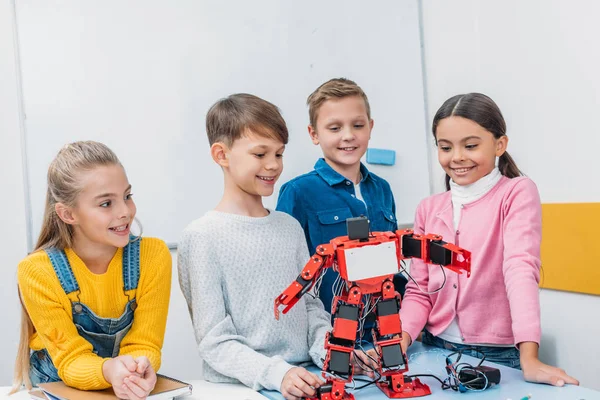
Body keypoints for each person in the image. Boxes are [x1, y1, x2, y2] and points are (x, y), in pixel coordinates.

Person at [400, 93, 578, 387]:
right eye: (445, 147)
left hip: (497, 356)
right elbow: (420, 289)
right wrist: (400, 341)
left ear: (500, 145)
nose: (457, 156)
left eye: (470, 145)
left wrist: (529, 358)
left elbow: (520, 269)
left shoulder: (516, 193)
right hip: (434, 348)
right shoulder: (428, 208)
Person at [12, 141, 172, 400]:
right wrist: (110, 370)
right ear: (67, 213)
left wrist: (139, 368)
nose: (125, 212)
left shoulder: (153, 256)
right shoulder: (36, 271)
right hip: (54, 384)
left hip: (116, 386)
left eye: (127, 196)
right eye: (106, 204)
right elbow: (71, 359)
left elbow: (145, 344)